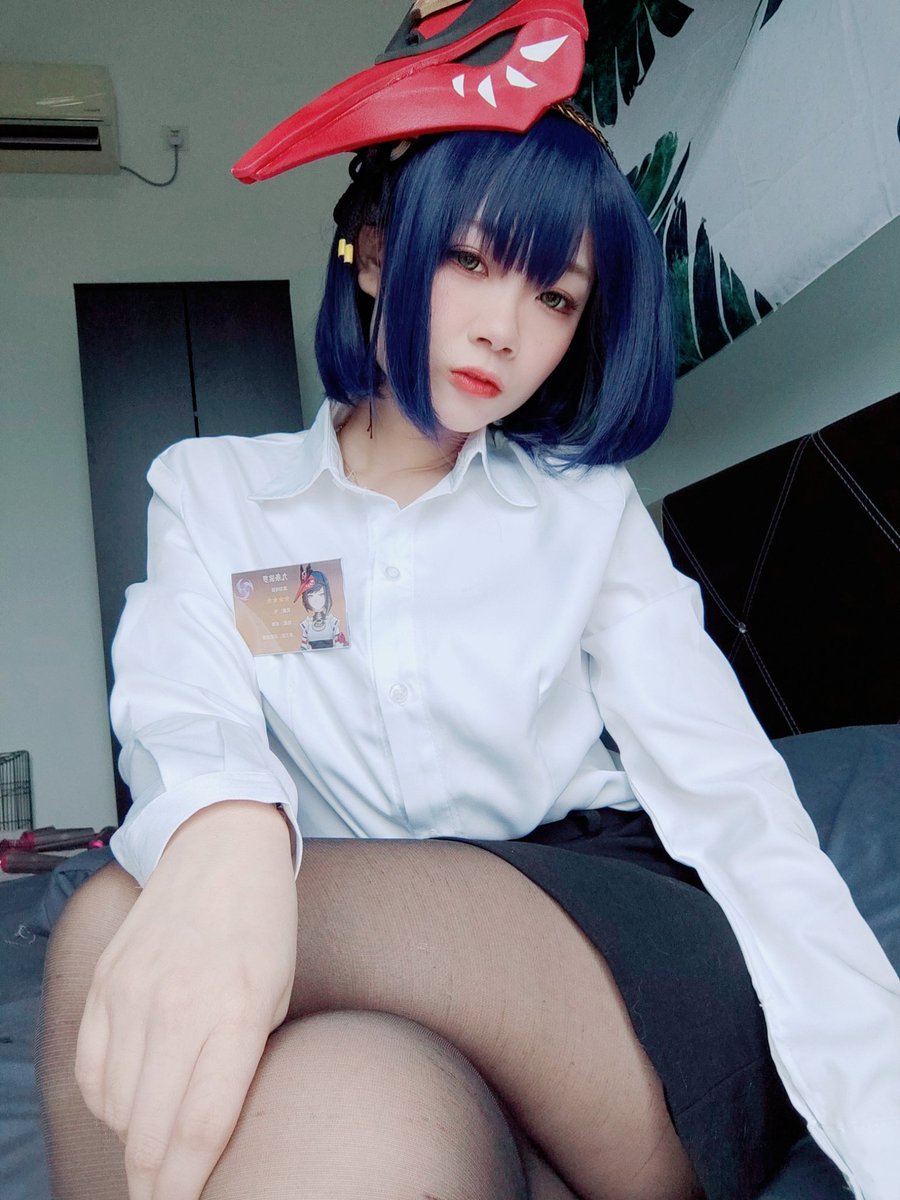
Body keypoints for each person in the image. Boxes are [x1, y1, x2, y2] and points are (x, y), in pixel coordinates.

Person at [38, 4, 900, 1200]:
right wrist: (225, 826)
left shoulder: (584, 512)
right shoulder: (215, 493)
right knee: (354, 1116)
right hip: (377, 1008)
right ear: (374, 252)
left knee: (106, 922)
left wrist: (879, 1105)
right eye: (473, 261)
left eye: (555, 298)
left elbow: (735, 797)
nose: (504, 329)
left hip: (605, 977)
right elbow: (182, 705)